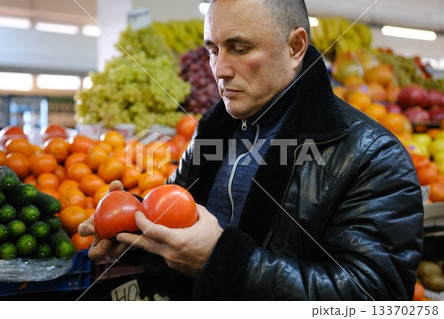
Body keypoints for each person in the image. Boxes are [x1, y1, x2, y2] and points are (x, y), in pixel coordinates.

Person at [79, 0, 423, 300]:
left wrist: (225, 262)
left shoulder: (374, 157)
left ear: (295, 47)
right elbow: (181, 229)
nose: (219, 69)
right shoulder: (212, 132)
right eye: (213, 49)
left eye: (239, 49)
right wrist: (138, 234)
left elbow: (376, 296)